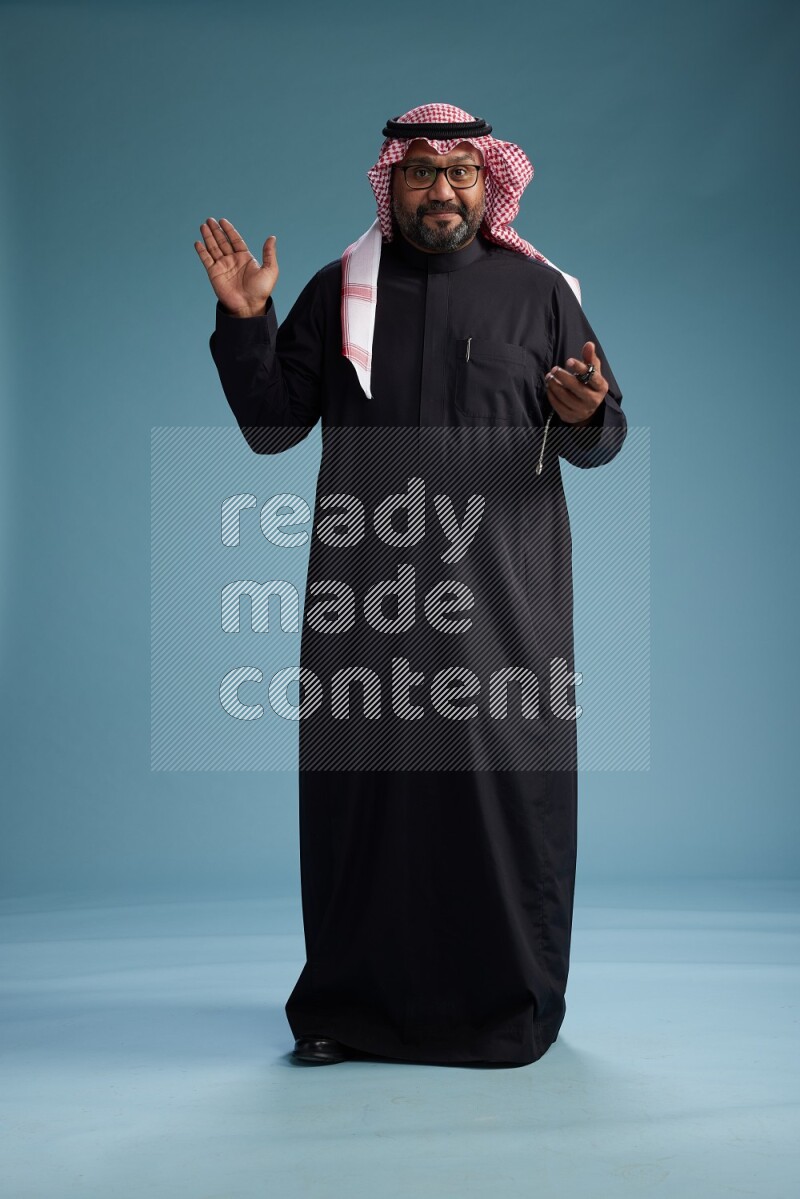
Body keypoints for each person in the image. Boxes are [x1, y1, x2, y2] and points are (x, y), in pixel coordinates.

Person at [195, 102, 627, 1068]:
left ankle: (506, 1013)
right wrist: (246, 319)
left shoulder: (540, 295)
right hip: (366, 607)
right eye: (422, 171)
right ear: (391, 182)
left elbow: (605, 438)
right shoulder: (337, 289)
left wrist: (588, 415)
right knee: (365, 806)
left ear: (490, 183)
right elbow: (271, 426)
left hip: (504, 613)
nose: (442, 188)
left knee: (504, 805)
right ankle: (350, 1011)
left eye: (460, 172)